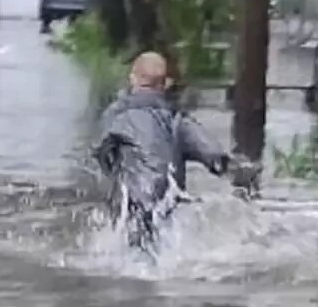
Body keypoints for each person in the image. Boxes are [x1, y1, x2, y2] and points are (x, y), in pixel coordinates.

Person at [94, 51, 236, 246]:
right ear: (165, 84)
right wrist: (242, 175)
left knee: (129, 245)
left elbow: (99, 152)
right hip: (166, 201)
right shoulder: (177, 120)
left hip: (131, 201)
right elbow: (214, 154)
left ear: (132, 78)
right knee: (161, 244)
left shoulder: (115, 115)